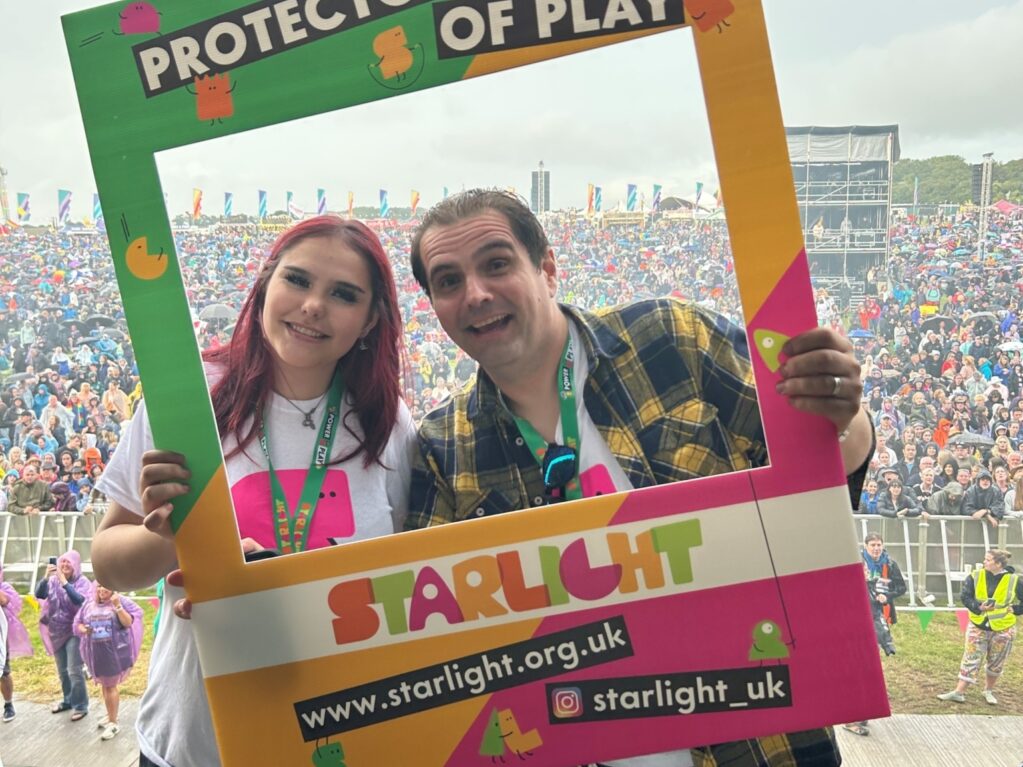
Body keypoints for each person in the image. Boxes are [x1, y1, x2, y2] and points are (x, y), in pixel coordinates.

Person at [406, 190, 874, 767]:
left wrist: (840, 414)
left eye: (496, 264)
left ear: (547, 269)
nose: (475, 293)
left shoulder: (670, 336)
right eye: (448, 281)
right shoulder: (443, 447)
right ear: (435, 305)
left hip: (760, 745)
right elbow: (436, 652)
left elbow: (819, 472)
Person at [91, 216, 415, 767]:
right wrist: (175, 535)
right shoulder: (189, 399)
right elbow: (109, 566)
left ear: (370, 320)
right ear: (265, 285)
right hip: (194, 741)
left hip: (337, 737)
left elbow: (402, 583)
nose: (312, 305)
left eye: (343, 294)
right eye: (297, 280)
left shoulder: (388, 423)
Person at [938, 549, 1023, 705]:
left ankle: (988, 690)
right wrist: (978, 607)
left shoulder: (1014, 580)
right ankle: (959, 692)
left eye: (988, 560)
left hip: (1003, 628)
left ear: (999, 564)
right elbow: (965, 596)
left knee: (996, 661)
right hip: (978, 625)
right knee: (971, 657)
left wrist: (1016, 609)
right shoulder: (975, 576)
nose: (984, 562)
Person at [843, 533, 906, 737]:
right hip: (856, 626)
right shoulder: (855, 565)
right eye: (873, 545)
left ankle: (861, 714)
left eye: (879, 545)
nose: (876, 548)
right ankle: (852, 718)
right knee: (859, 671)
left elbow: (900, 588)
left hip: (876, 621)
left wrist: (886, 596)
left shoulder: (889, 565)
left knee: (869, 670)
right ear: (865, 546)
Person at [74, 582, 144, 741]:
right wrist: (84, 629)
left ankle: (113, 723)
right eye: (99, 586)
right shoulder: (89, 604)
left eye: (105, 586)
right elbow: (78, 623)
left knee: (111, 686)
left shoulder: (121, 601)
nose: (101, 589)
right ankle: (110, 714)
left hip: (115, 654)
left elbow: (128, 622)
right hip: (96, 654)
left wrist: (118, 606)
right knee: (105, 685)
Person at [35, 550, 92, 721]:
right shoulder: (52, 580)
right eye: (62, 562)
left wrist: (65, 583)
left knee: (74, 669)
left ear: (76, 565)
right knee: (62, 670)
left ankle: (81, 705)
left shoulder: (83, 582)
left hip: (74, 630)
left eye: (69, 562)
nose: (65, 565)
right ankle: (68, 700)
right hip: (56, 630)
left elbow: (79, 600)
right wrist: (46, 577)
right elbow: (39, 594)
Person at [0, 563, 33, 723]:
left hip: (1, 636)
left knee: (3, 671)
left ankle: (8, 704)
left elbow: (5, 600)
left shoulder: (5, 587)